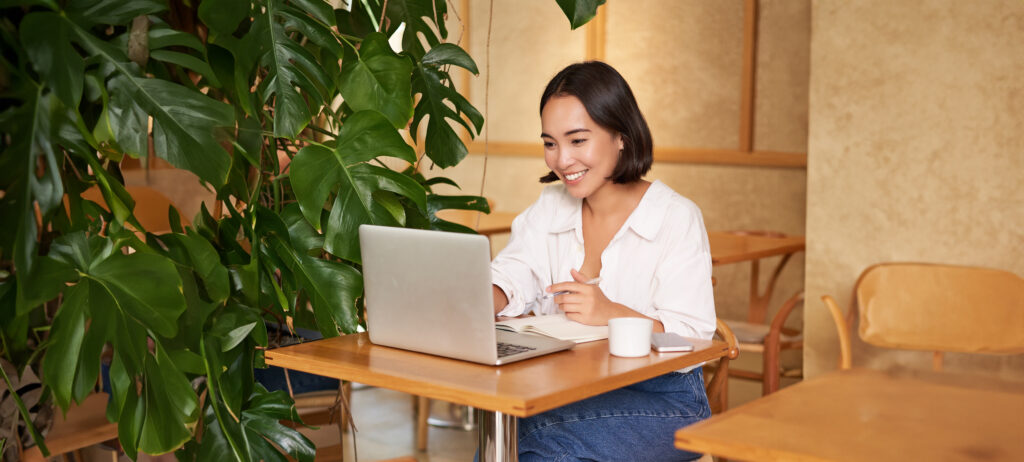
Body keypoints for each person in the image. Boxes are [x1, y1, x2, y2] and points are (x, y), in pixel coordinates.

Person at [489, 61, 716, 461]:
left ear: (621, 136)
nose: (561, 160)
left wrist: (612, 312)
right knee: (533, 444)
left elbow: (694, 339)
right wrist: (477, 297)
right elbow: (513, 273)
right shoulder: (549, 208)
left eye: (577, 140)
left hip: (666, 403)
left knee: (523, 430)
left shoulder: (676, 217)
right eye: (550, 143)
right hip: (569, 389)